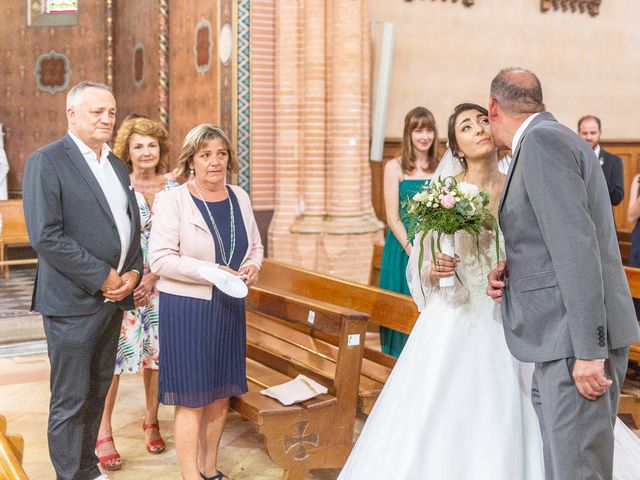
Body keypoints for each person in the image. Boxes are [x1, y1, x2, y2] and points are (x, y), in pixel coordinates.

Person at [339, 103, 546, 479]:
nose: (480, 128)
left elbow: (534, 247)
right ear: (457, 147)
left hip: (508, 311)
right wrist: (435, 269)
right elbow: (425, 259)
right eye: (467, 127)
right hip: (458, 310)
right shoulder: (447, 190)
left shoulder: (516, 181)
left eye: (484, 120)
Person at [487, 68, 640, 480]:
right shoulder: (547, 139)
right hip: (560, 339)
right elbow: (552, 238)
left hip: (574, 342)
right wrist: (511, 269)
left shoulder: (542, 143)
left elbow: (576, 248)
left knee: (578, 471)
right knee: (565, 466)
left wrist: (590, 352)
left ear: (494, 108)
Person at [22, 81, 143, 480]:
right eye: (97, 112)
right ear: (72, 114)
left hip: (112, 300)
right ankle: (69, 476)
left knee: (96, 393)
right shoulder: (48, 161)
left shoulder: (116, 164)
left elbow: (130, 227)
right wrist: (102, 276)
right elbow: (46, 235)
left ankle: (87, 470)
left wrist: (132, 271)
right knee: (70, 400)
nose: (107, 118)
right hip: (72, 303)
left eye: (111, 111)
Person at [149, 124, 263, 480]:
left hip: (229, 307)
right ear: (191, 162)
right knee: (193, 397)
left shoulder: (239, 196)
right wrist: (209, 271)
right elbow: (160, 260)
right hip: (188, 309)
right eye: (206, 155)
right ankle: (190, 476)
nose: (216, 162)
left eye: (222, 154)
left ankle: (209, 469)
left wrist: (252, 266)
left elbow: (256, 246)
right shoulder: (173, 200)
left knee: (219, 395)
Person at [95, 117, 178, 470]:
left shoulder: (175, 189)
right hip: (124, 283)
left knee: (155, 358)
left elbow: (179, 240)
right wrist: (131, 278)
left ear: (161, 150)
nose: (146, 152)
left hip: (161, 284)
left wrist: (153, 277)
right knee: (112, 359)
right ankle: (103, 431)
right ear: (127, 151)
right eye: (138, 146)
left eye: (152, 145)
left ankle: (151, 419)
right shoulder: (117, 185)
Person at [379, 107, 438, 356]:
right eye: (418, 130)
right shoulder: (395, 167)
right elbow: (392, 218)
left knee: (430, 314)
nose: (424, 136)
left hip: (433, 249)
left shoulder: (440, 168)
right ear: (408, 133)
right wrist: (414, 253)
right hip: (402, 248)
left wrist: (430, 252)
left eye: (429, 130)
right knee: (401, 309)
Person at [578, 114, 624, 206]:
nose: (588, 137)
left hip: (603, 218)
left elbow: (617, 198)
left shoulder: (614, 161)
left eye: (593, 133)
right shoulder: (571, 159)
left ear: (600, 132)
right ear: (578, 133)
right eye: (584, 133)